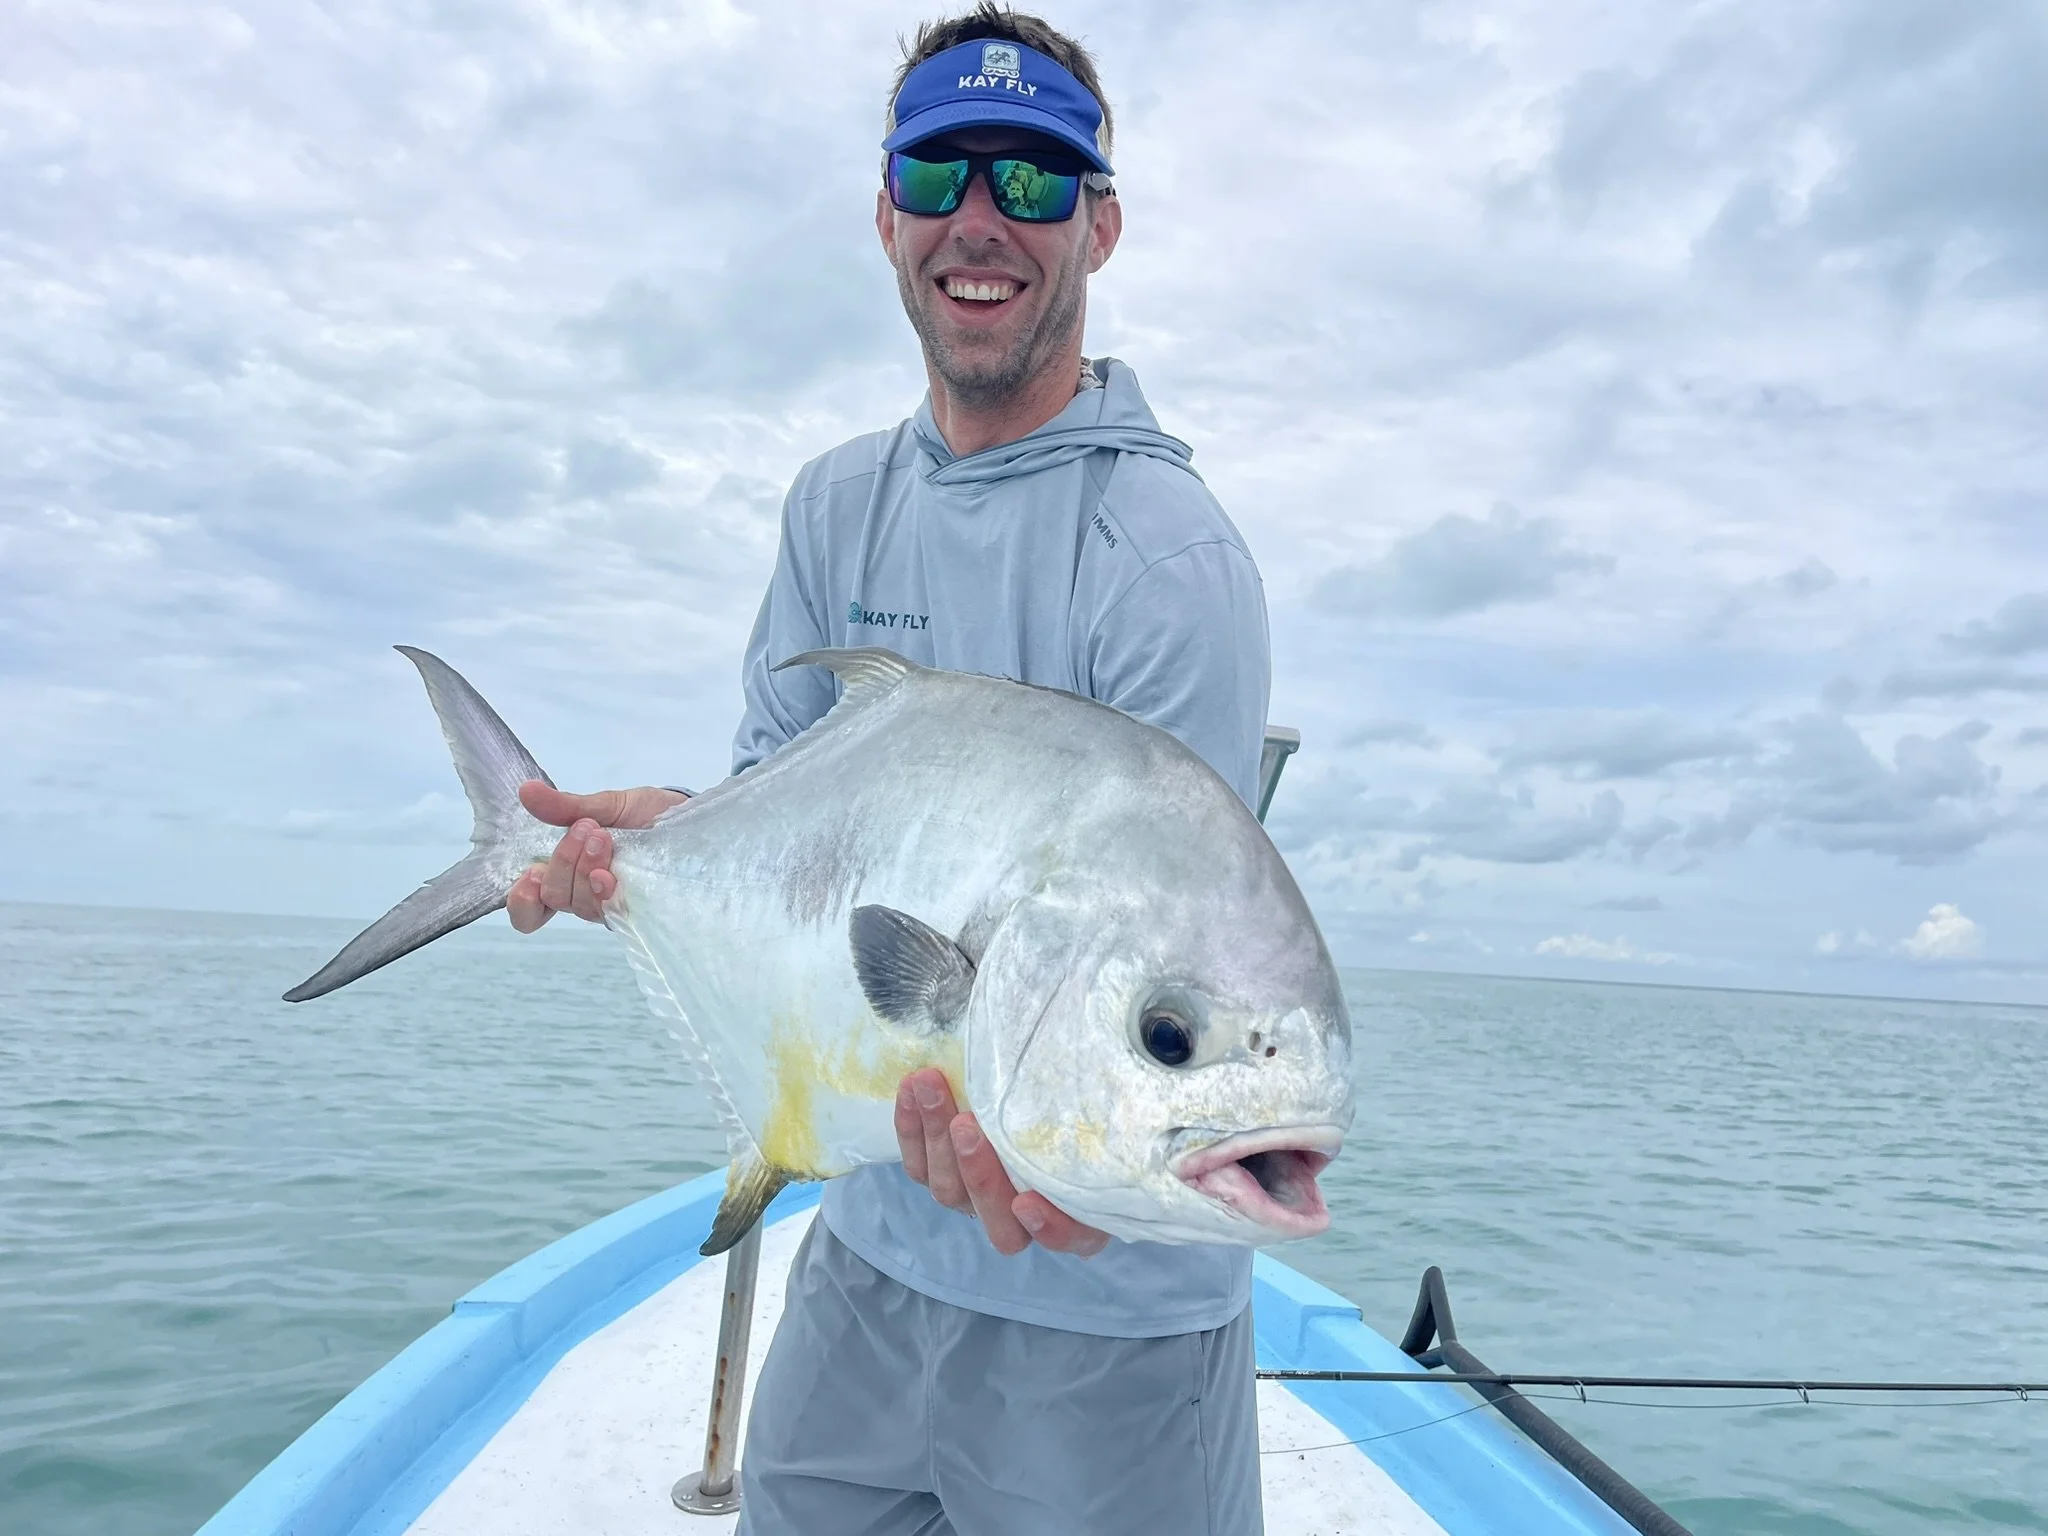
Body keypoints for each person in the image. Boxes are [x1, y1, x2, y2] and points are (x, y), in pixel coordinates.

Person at [507, 7, 1271, 1530]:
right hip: (865, 1239)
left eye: (1038, 182)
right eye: (941, 176)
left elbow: (1169, 980)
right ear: (885, 214)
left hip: (1107, 1319)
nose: (982, 222)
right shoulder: (832, 507)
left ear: (1101, 228)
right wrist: (654, 863)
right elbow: (772, 818)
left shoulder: (1170, 562)